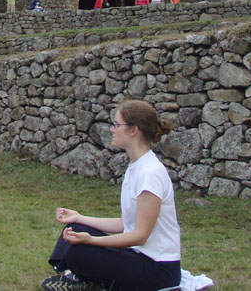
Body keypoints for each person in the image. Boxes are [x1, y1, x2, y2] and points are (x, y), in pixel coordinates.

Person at [41, 100, 181, 291]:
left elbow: (140, 236)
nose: (112, 130)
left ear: (134, 130)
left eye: (117, 125)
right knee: (75, 228)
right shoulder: (136, 167)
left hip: (158, 269)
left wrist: (92, 241)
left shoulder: (150, 173)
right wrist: (79, 217)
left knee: (78, 252)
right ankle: (78, 275)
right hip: (136, 256)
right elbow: (126, 223)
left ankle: (81, 276)